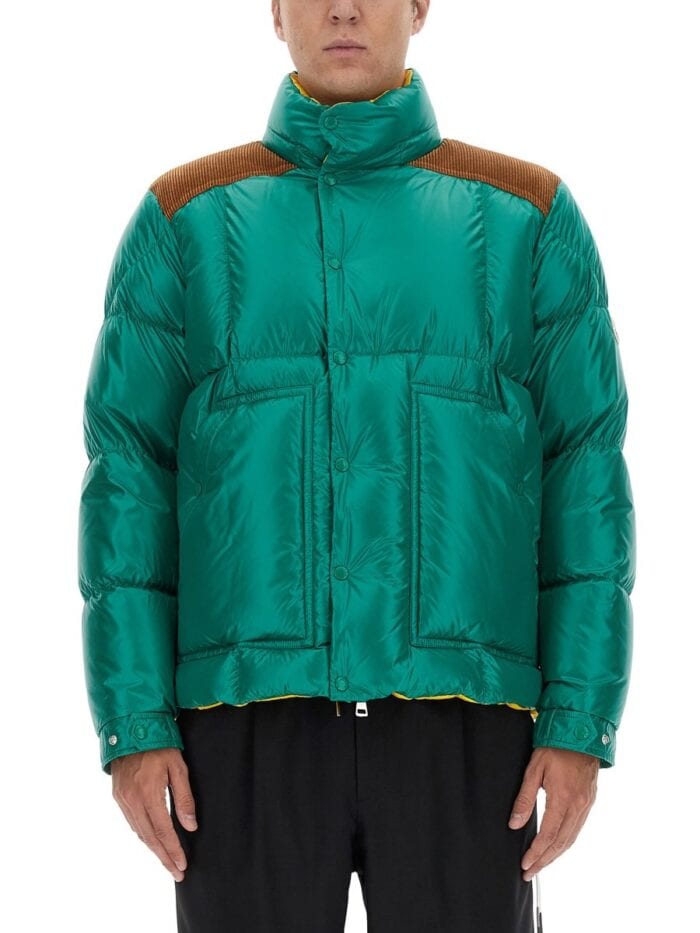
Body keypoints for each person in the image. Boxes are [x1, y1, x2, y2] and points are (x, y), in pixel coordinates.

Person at [77, 1, 636, 930]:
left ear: (420, 5)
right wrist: (133, 723)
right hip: (242, 724)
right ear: (275, 9)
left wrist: (580, 720)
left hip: (468, 723)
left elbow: (587, 476)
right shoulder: (186, 220)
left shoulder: (525, 218)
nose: (343, 7)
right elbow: (127, 481)